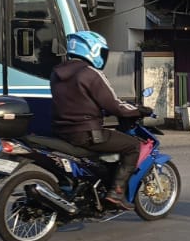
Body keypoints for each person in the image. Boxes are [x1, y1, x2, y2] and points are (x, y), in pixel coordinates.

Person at [50, 30, 143, 211]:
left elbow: (76, 102)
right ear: (91, 50)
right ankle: (116, 193)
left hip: (61, 132)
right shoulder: (90, 73)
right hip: (87, 134)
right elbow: (115, 105)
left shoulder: (56, 73)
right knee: (132, 145)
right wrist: (139, 110)